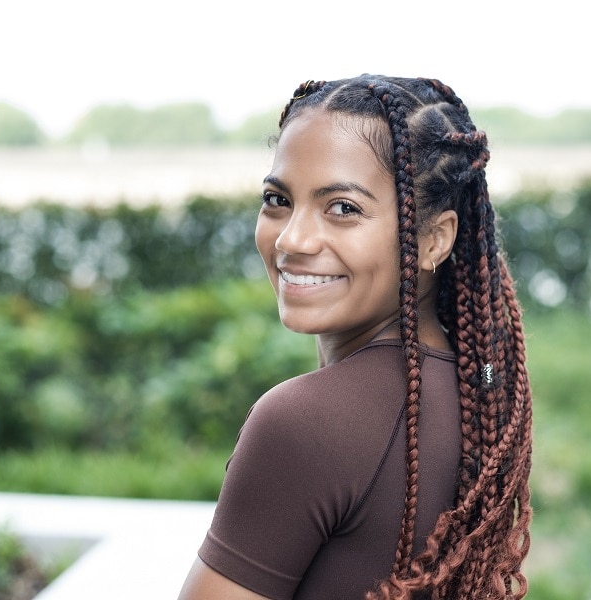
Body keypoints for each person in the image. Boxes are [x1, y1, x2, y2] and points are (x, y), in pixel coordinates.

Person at [178, 75, 533, 600]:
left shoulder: (302, 423)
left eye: (342, 208)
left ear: (435, 238)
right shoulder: (481, 396)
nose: (292, 238)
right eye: (277, 199)